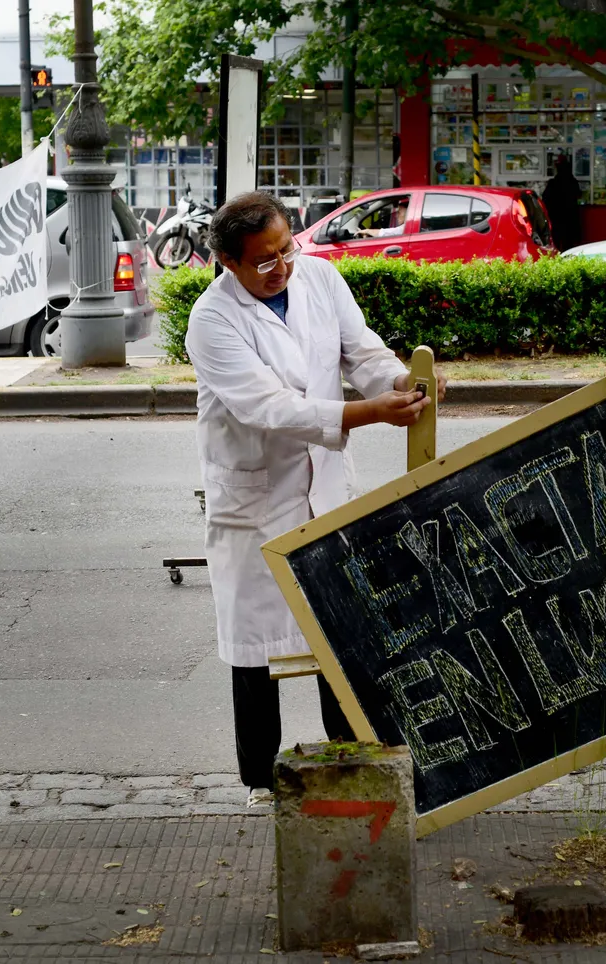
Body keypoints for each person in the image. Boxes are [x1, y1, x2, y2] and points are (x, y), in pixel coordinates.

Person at [185, 191, 448, 808]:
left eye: (287, 249)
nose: (282, 267)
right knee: (254, 647)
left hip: (324, 485)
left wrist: (400, 380)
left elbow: (362, 351)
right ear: (228, 262)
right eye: (264, 261)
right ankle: (259, 779)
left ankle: (349, 760)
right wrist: (366, 413)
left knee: (341, 627)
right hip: (255, 497)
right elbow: (271, 408)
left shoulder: (322, 278)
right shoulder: (212, 319)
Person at [541, 154, 582, 254]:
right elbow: (578, 195)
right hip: (570, 217)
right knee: (569, 242)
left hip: (556, 217)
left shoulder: (553, 183)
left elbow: (545, 198)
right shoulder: (573, 182)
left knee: (557, 240)